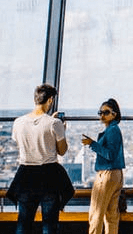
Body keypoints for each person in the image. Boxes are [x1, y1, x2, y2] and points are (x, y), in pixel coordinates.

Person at [7, 83, 74, 234]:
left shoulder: (18, 122)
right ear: (50, 100)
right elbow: (62, 151)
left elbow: (20, 143)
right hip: (48, 176)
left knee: (23, 223)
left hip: (26, 175)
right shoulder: (54, 123)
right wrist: (62, 130)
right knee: (49, 225)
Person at [81, 98, 126, 234]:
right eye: (100, 112)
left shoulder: (112, 131)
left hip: (106, 174)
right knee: (111, 215)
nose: (102, 115)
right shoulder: (113, 129)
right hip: (116, 174)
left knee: (96, 214)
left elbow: (110, 154)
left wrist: (92, 144)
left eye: (106, 112)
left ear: (114, 114)